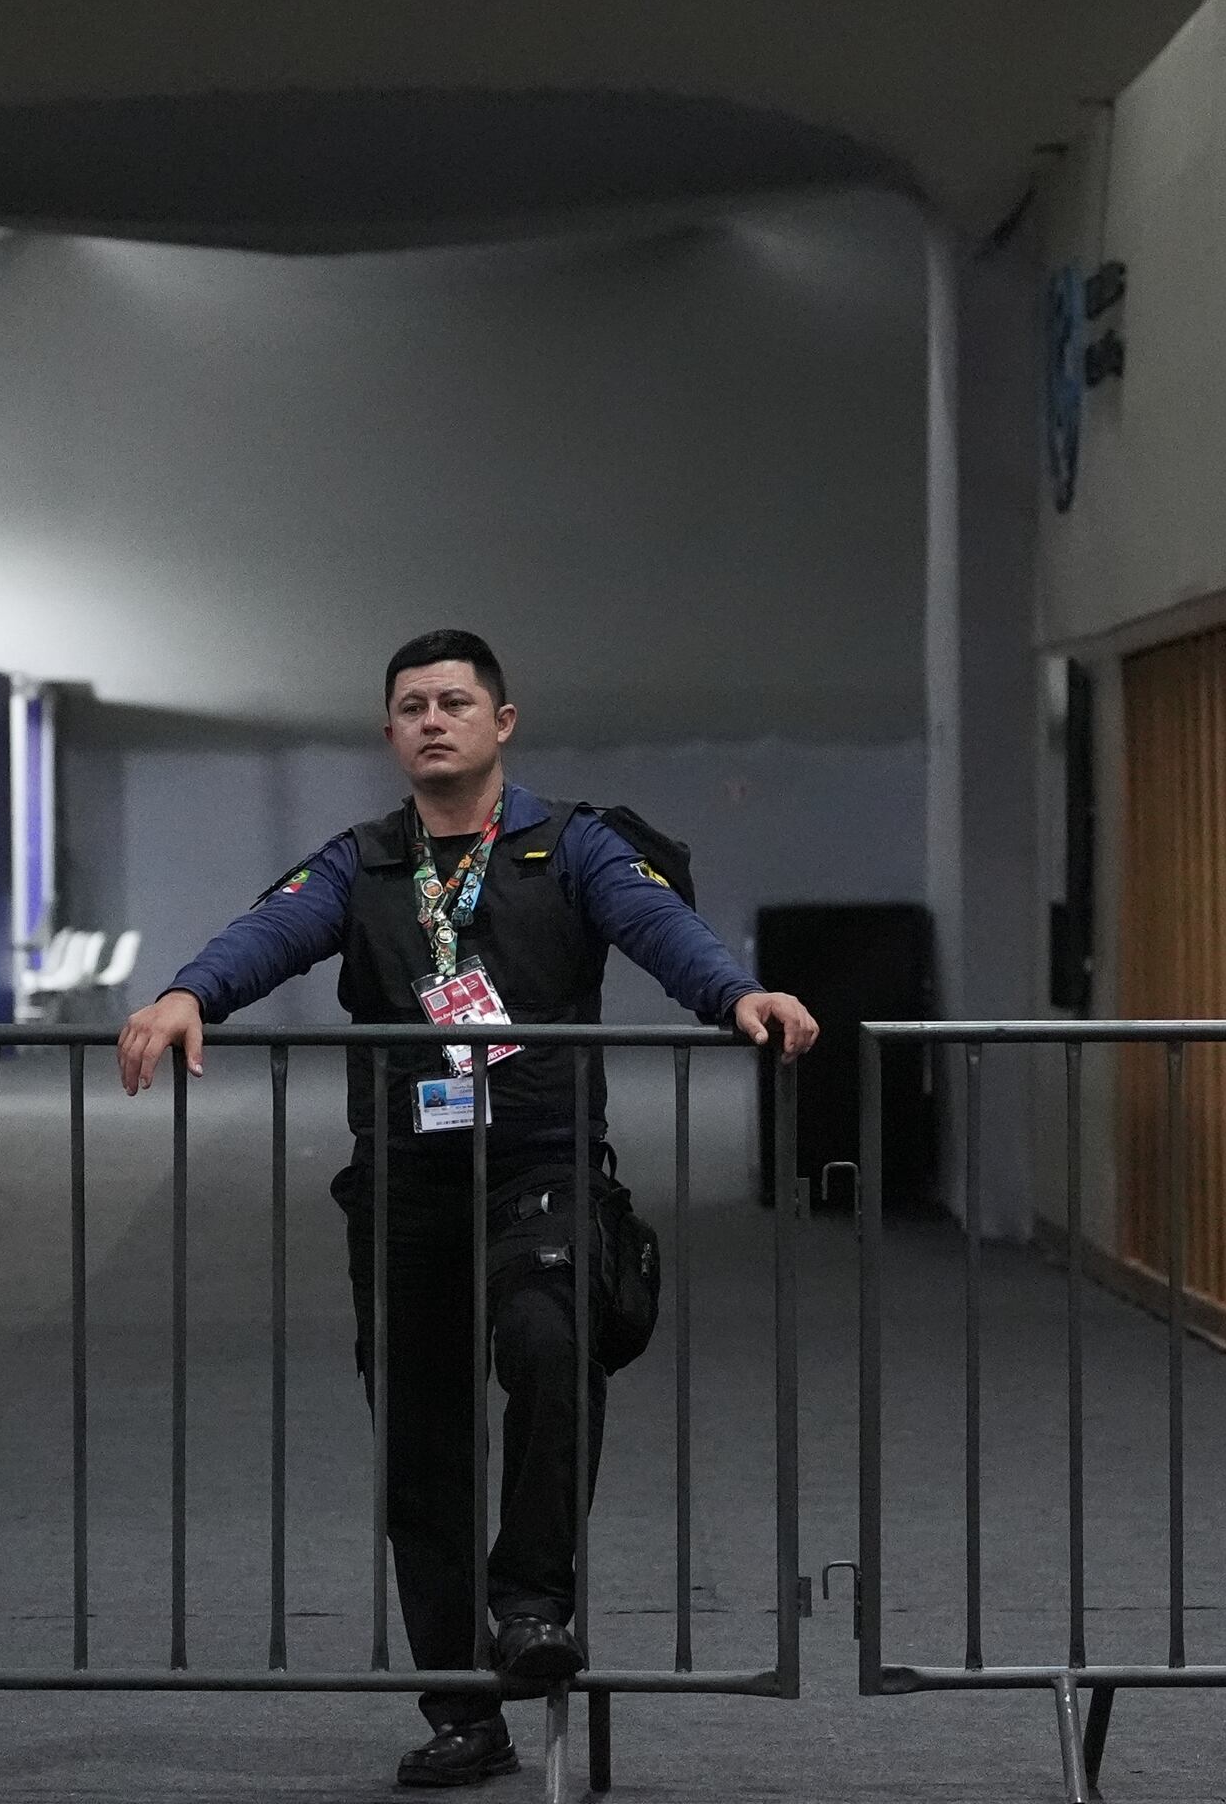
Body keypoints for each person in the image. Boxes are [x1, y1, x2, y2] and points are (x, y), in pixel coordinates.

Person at [118, 629, 817, 1790]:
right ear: (389, 735)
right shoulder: (364, 863)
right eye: (411, 706)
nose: (433, 719)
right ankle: (464, 1709)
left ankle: (532, 1605)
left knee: (549, 1340)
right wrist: (190, 990)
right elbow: (271, 931)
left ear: (503, 723)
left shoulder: (571, 848)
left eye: (455, 702)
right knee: (423, 1454)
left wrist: (736, 993)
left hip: (539, 1163)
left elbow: (663, 932)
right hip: (404, 1185)